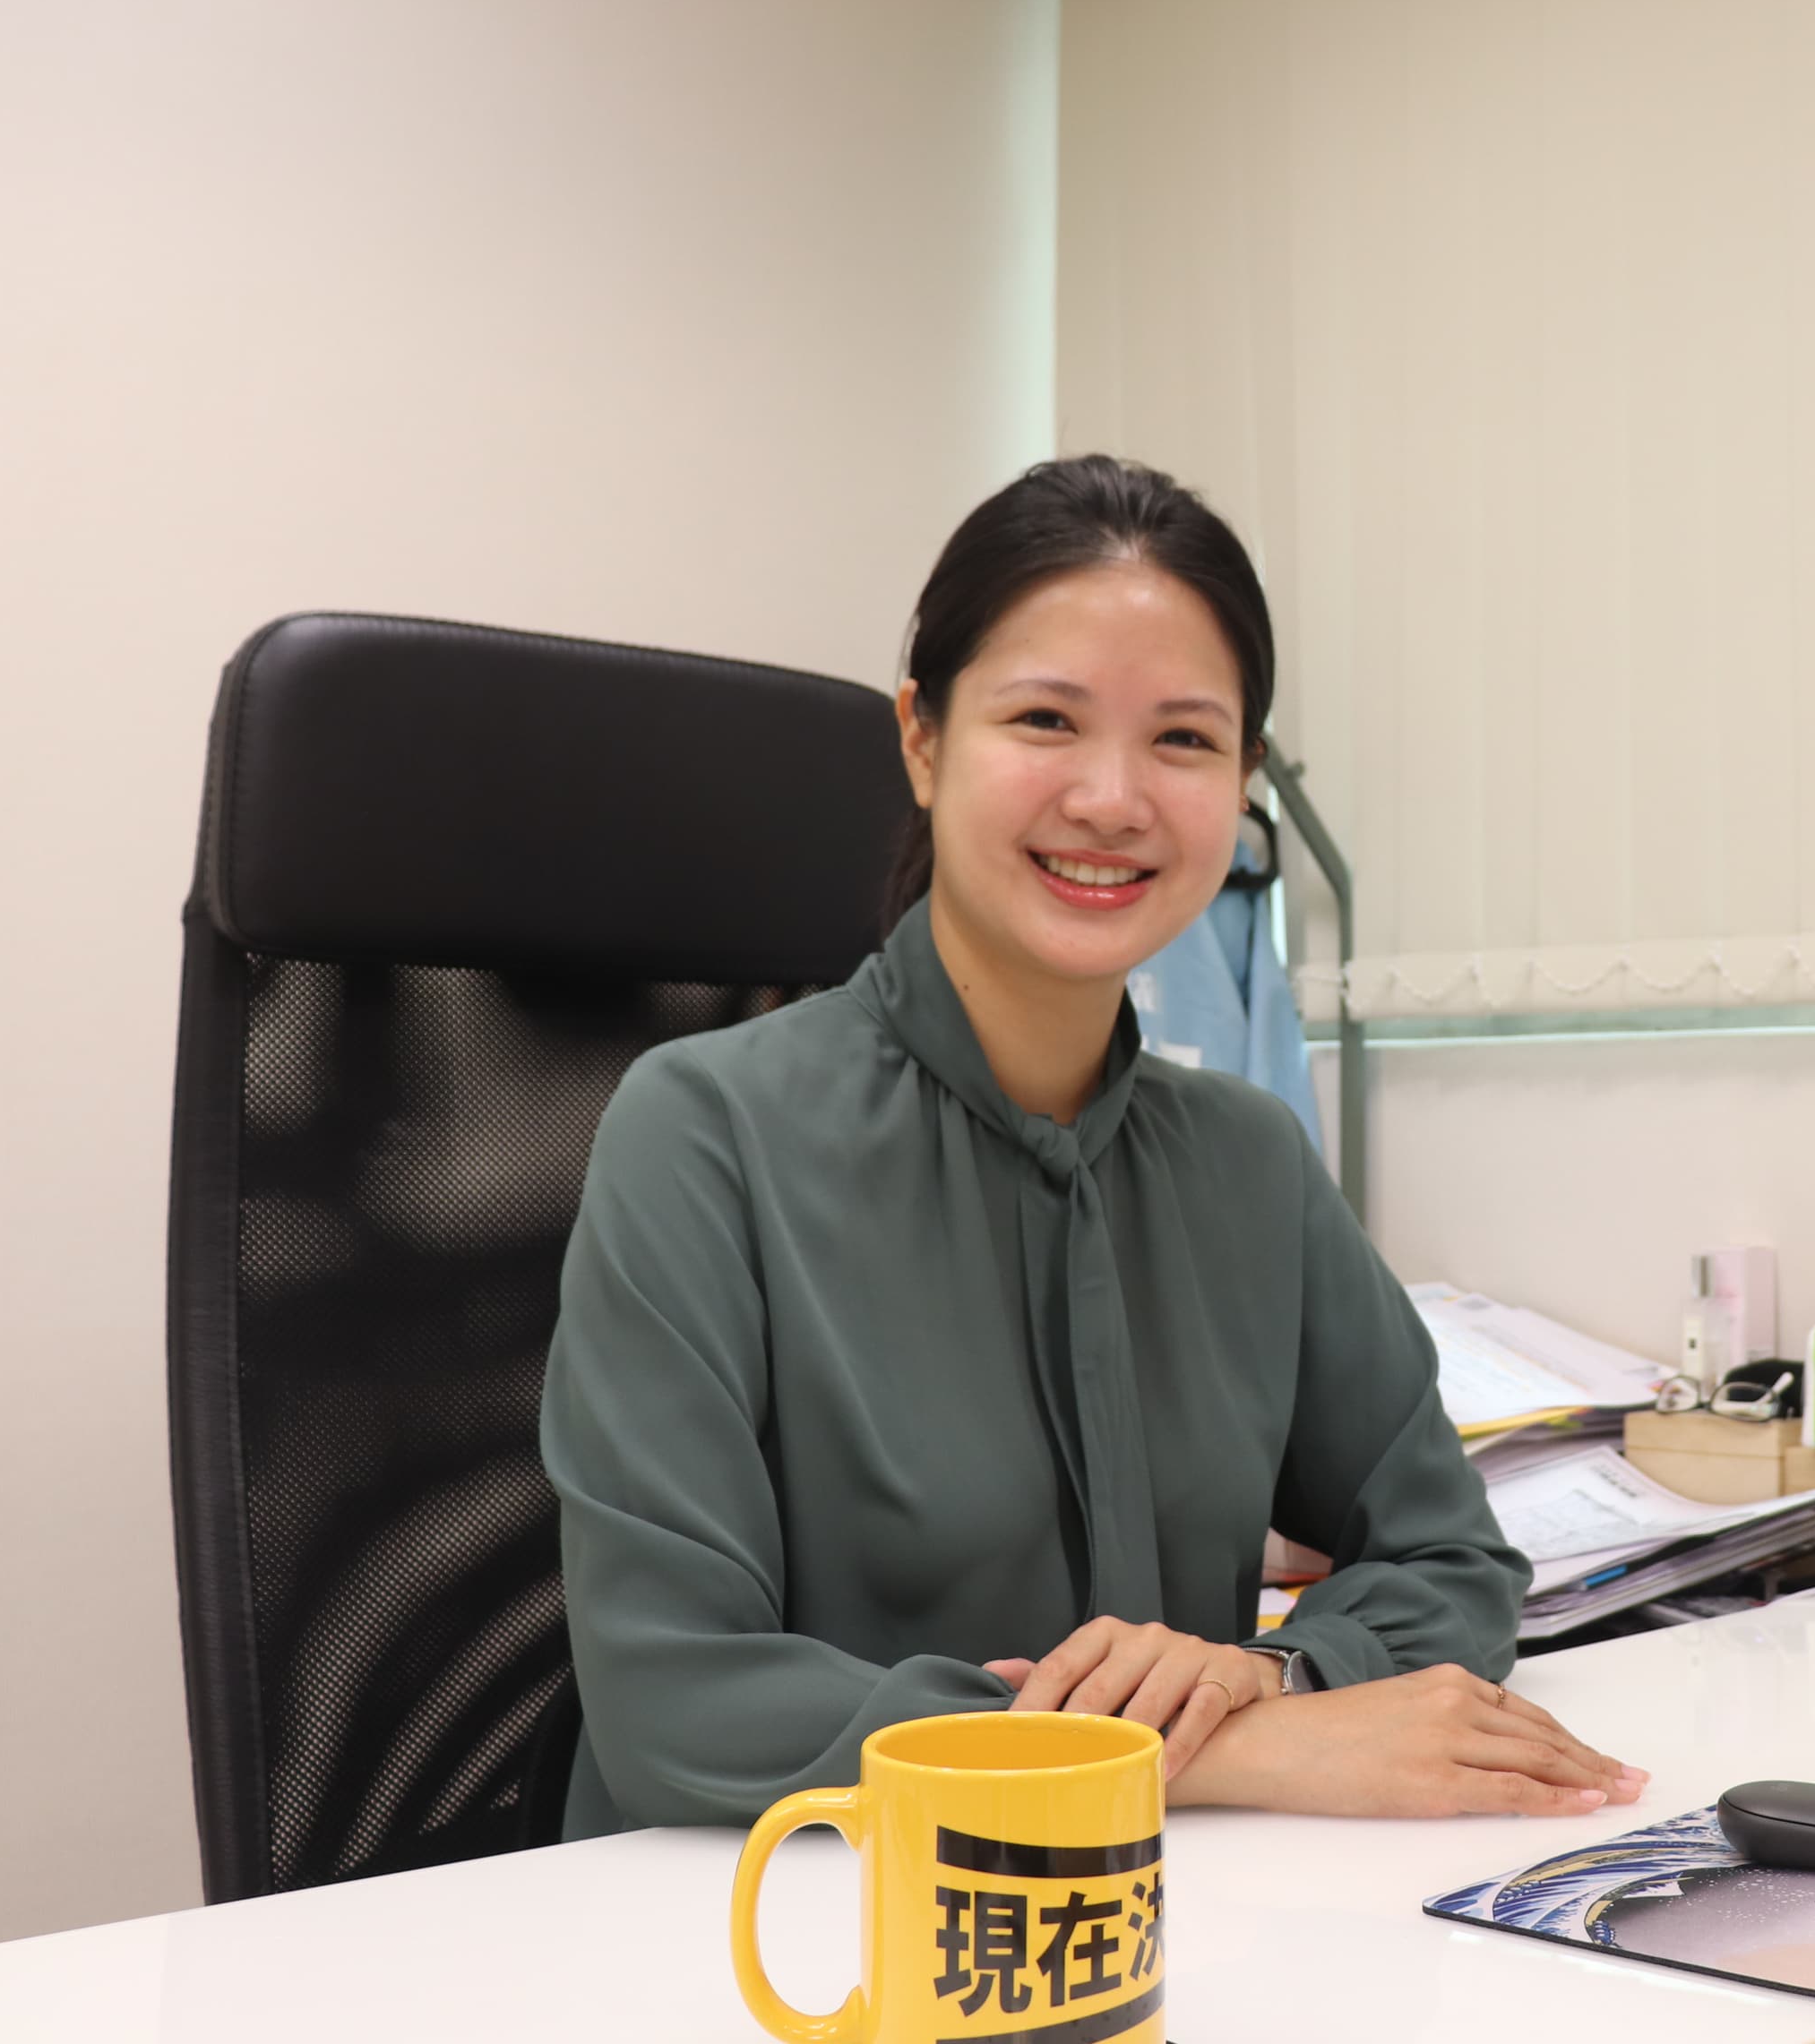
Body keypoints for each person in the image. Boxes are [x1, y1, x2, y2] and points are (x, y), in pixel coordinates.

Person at [540, 453, 1643, 1835]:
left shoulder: (1247, 1163)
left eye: (1185, 740)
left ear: (1243, 781)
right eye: (1047, 718)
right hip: (771, 1940)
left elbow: (1450, 1556)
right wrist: (1220, 1755)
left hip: (1157, 1937)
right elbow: (672, 1700)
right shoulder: (701, 1131)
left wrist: (1274, 1674)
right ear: (923, 740)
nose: (1115, 798)